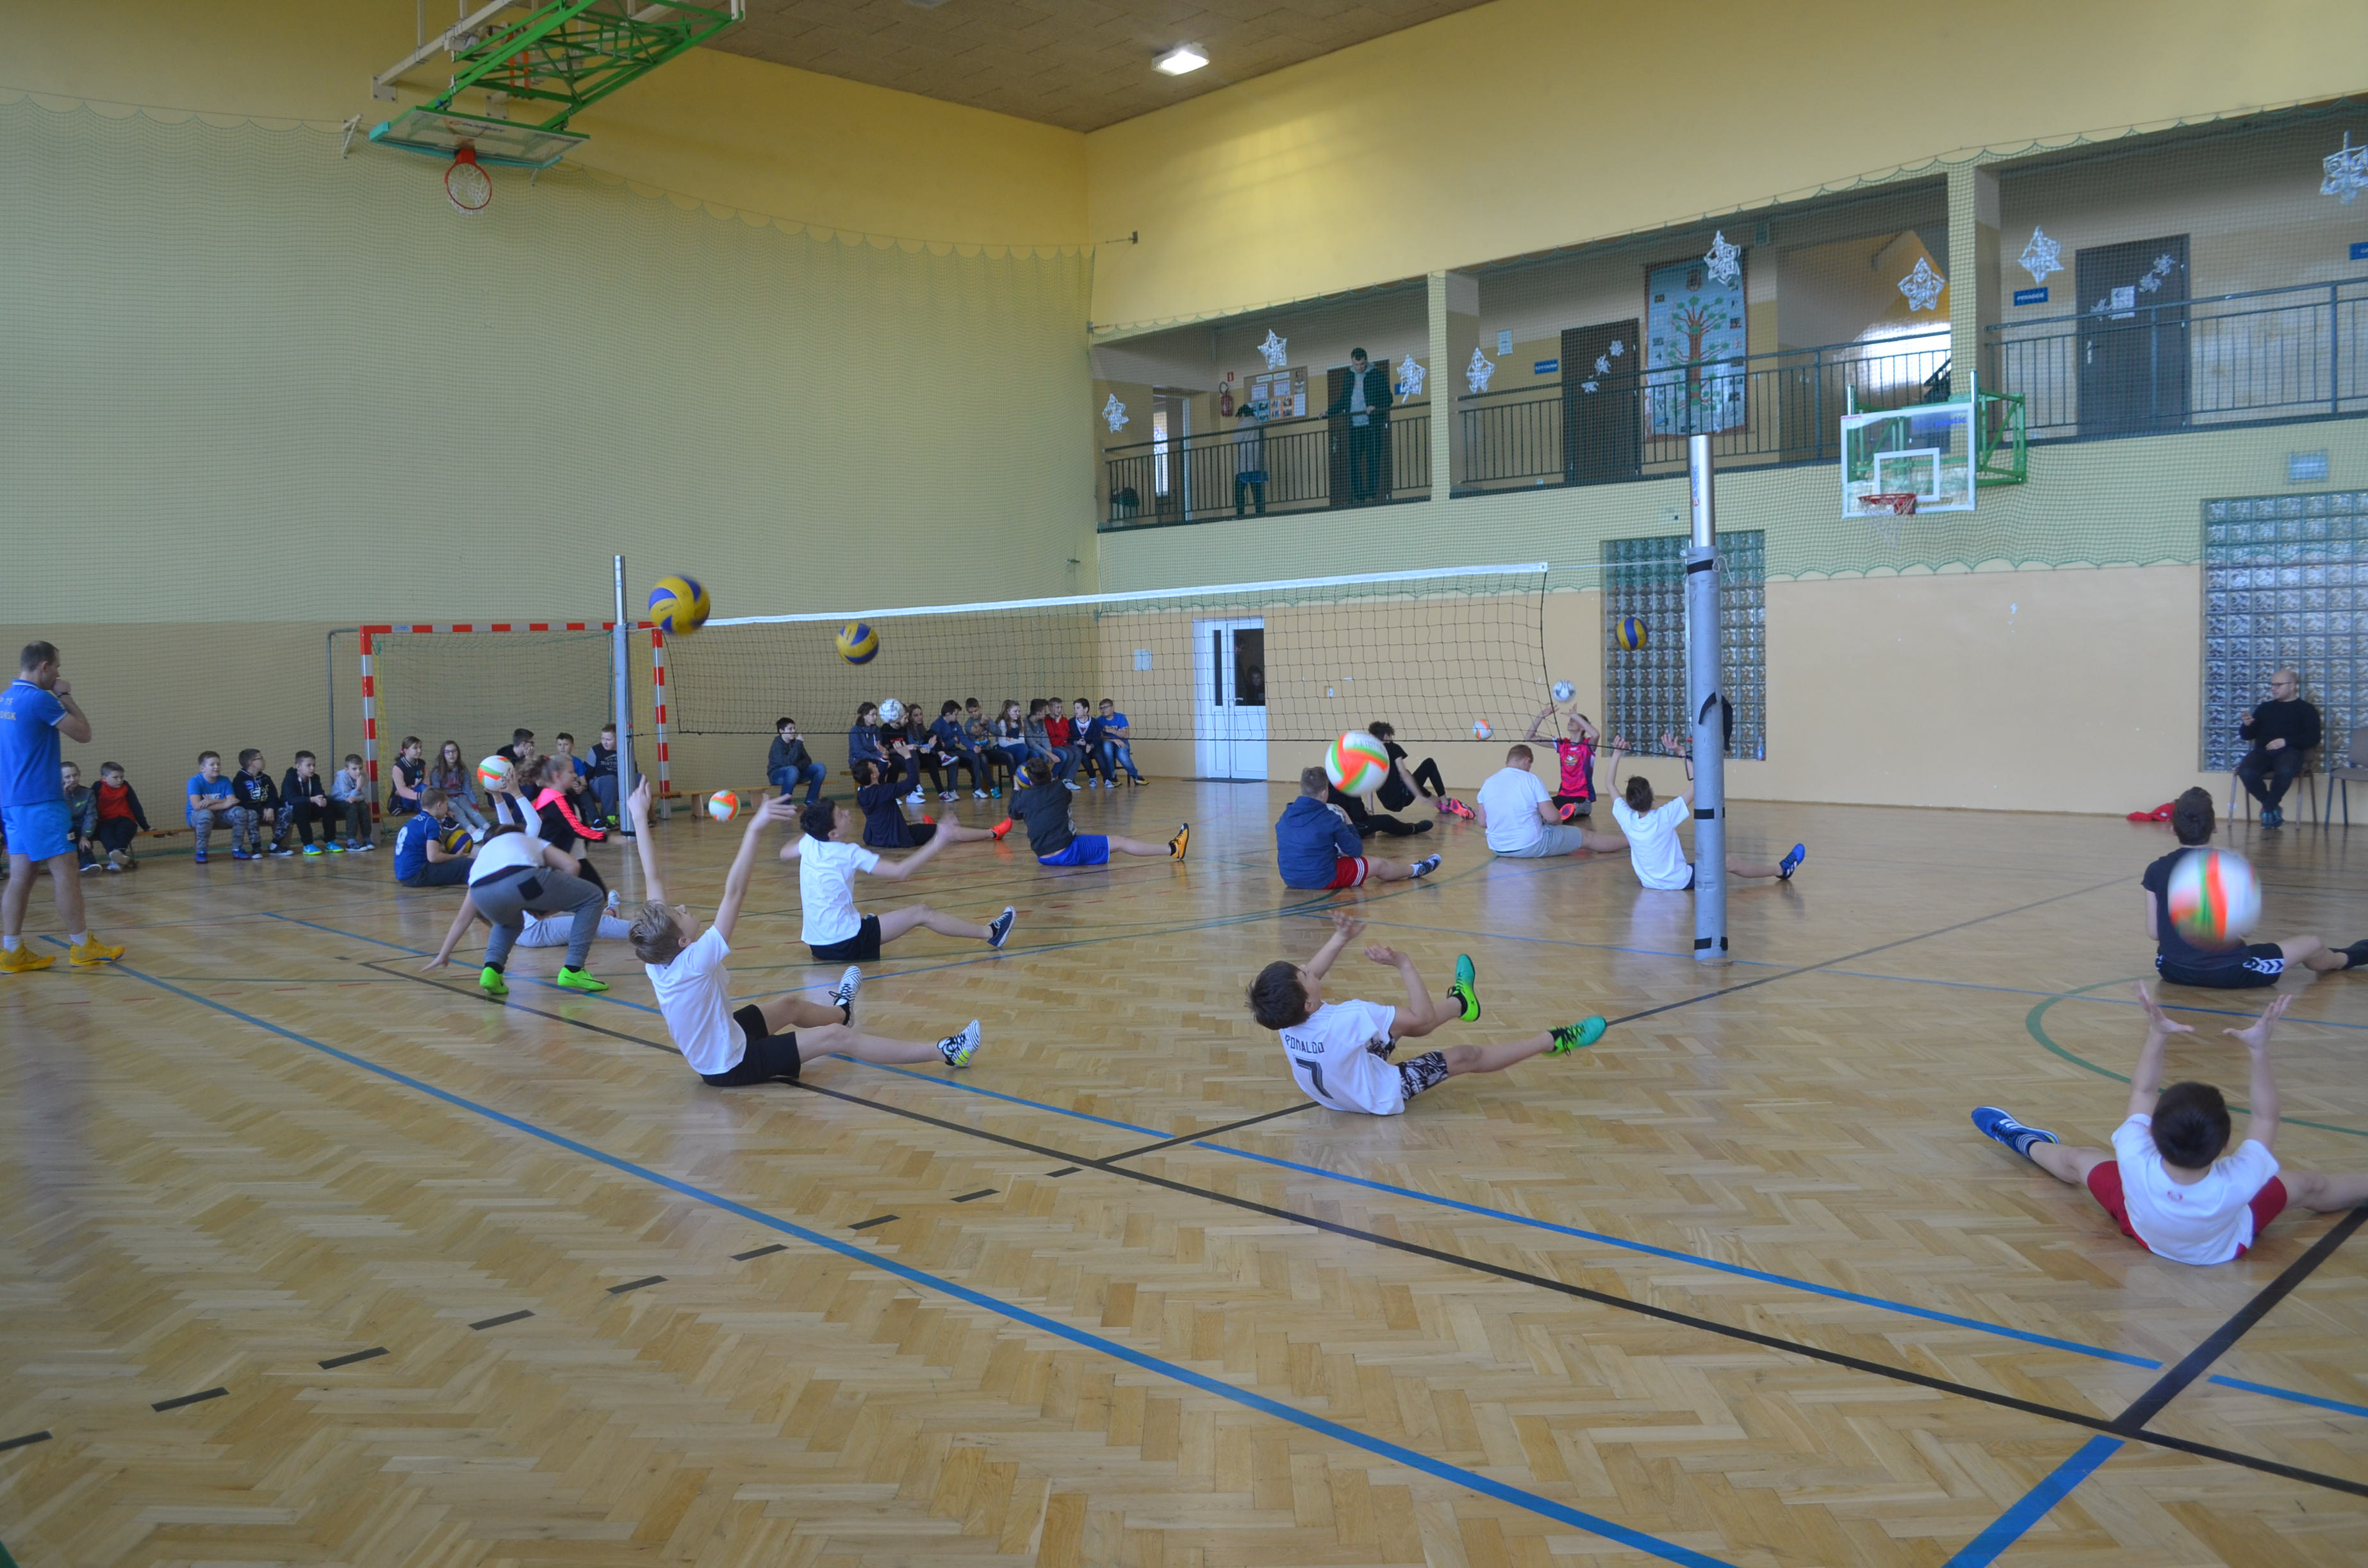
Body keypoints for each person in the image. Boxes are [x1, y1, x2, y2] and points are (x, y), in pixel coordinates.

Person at [623, 780, 981, 1086]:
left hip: (721, 1040)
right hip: (731, 1064)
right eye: (679, 914)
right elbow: (735, 892)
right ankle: (945, 1051)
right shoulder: (695, 961)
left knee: (789, 1005)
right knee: (836, 1039)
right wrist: (754, 829)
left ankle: (842, 1011)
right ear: (683, 941)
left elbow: (653, 877)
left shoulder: (657, 954)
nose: (682, 906)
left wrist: (640, 817)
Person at [1972, 987, 2368, 1264]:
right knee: (2309, 1185)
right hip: (2224, 1249)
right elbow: (2266, 1116)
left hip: (2141, 1228)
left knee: (2079, 1158)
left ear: (2151, 1134)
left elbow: (2143, 1089)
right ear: (2227, 1145)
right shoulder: (2241, 1182)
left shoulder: (2133, 1153)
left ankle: (2021, 1140)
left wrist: (2157, 1034)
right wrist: (2259, 1050)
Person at [1247, 911, 1605, 1115]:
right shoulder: (1349, 1017)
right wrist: (1403, 963)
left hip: (1337, 1088)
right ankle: (1554, 1040)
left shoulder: (1280, 1015)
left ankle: (1463, 1003)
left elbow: (1311, 978)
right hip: (1376, 1094)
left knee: (1391, 1026)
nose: (1309, 968)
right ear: (1308, 1003)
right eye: (1305, 974)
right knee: (1465, 1055)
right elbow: (1422, 1019)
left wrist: (1341, 937)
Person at [2141, 788, 2364, 988]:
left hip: (2170, 969)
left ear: (2173, 829)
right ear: (2215, 827)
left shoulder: (2155, 869)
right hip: (2229, 973)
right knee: (2313, 944)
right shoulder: (2233, 867)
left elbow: (2154, 932)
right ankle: (2346, 958)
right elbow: (2246, 929)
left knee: (2266, 951)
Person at [0, 642, 122, 972]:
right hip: (40, 802)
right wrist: (65, 695)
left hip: (12, 803)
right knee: (66, 871)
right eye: (56, 667)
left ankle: (12, 950)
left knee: (21, 875)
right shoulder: (39, 699)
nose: (58, 673)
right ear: (44, 666)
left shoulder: (5, 698)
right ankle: (82, 946)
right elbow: (84, 733)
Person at [793, 797, 1015, 963]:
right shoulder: (849, 852)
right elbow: (900, 871)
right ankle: (992, 933)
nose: (848, 813)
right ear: (832, 834)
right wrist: (939, 841)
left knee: (869, 917)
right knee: (922, 912)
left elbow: (785, 852)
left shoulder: (809, 842)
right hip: (845, 943)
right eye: (841, 815)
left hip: (818, 945)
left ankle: (862, 929)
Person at [418, 821, 609, 996]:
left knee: (508, 924)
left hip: (481, 891)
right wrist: (549, 909)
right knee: (592, 897)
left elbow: (462, 919)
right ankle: (574, 969)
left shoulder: (485, 857)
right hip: (522, 878)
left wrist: (444, 954)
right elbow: (572, 865)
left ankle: (492, 972)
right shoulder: (528, 840)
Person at [1605, 737, 1802, 888]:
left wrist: (1616, 754)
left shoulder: (1627, 819)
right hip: (1677, 881)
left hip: (1649, 883)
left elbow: (1609, 784)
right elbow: (1699, 784)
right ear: (1653, 795)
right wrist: (1681, 752)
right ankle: (1781, 869)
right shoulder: (1664, 816)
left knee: (1711, 860)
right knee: (1729, 862)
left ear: (1630, 802)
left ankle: (1780, 869)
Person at [1275, 767, 1440, 890]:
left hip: (1290, 878)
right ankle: (1416, 870)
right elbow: (1355, 851)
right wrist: (1347, 820)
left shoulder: (1286, 815)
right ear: (1324, 793)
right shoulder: (1330, 818)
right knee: (1379, 864)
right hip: (1321, 878)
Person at [997, 759, 1184, 868]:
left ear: (1027, 783)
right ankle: (1173, 849)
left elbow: (1014, 814)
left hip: (1043, 857)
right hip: (1067, 852)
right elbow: (1064, 796)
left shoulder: (1022, 798)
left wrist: (1017, 789)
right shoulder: (1059, 788)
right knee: (1120, 842)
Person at [1475, 746, 1624, 860]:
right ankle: (1632, 840)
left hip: (1498, 848)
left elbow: (1482, 822)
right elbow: (1553, 818)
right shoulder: (1532, 780)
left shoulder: (1488, 783)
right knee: (1587, 837)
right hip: (1530, 845)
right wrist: (1557, 820)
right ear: (1527, 761)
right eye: (1530, 765)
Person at [851, 754, 996, 851]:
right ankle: (992, 833)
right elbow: (912, 781)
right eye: (874, 766)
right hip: (899, 837)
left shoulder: (862, 793)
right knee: (948, 830)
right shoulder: (884, 791)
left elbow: (878, 780)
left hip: (876, 839)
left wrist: (884, 758)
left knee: (924, 829)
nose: (877, 765)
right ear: (873, 775)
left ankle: (928, 827)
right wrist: (908, 756)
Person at [2235, 668, 2320, 827]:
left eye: (2278, 685)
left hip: (2290, 752)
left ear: (2292, 686)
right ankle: (2271, 807)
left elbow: (2314, 737)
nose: (2273, 689)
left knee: (2286, 770)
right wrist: (2246, 725)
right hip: (2263, 752)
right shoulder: (2265, 708)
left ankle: (2268, 809)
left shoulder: (2306, 709)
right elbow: (2247, 736)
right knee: (2245, 771)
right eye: (2272, 685)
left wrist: (2286, 742)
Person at [531, 754, 610, 895]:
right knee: (594, 894)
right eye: (571, 772)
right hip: (560, 859)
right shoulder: (554, 800)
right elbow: (577, 828)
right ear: (557, 776)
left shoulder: (568, 796)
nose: (575, 776)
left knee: (597, 893)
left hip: (575, 855)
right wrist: (608, 838)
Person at [1324, 348, 1394, 505]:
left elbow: (1388, 398)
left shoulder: (1376, 374)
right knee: (1354, 461)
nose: (1360, 367)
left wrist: (1375, 407)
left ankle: (1372, 493)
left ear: (1366, 361)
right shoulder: (1349, 376)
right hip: (1354, 426)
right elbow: (1344, 400)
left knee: (1373, 459)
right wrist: (1329, 413)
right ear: (1352, 362)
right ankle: (1358, 495)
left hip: (1372, 425)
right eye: (1357, 365)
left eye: (1362, 364)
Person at [1367, 722, 1465, 818]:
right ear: (1386, 735)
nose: (1392, 739)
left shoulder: (1371, 754)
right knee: (1429, 764)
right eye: (1391, 736)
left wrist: (1371, 810)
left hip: (1387, 803)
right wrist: (1418, 796)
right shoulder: (1393, 747)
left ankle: (1438, 803)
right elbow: (1403, 773)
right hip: (1401, 798)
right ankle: (1445, 803)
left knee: (1410, 777)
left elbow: (1369, 784)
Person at [1526, 702, 1600, 819]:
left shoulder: (1588, 745)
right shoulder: (1562, 744)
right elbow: (1529, 737)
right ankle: (1563, 813)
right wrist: (1541, 716)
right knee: (1539, 808)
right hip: (1564, 795)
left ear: (1582, 727)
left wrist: (1576, 716)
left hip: (1582, 797)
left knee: (1571, 808)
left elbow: (1596, 735)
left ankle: (1579, 809)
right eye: (1570, 720)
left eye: (1574, 720)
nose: (1570, 721)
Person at [393, 787, 474, 888]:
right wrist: (456, 856)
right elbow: (433, 857)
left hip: (404, 875)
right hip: (418, 874)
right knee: (468, 865)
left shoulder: (414, 821)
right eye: (446, 805)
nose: (447, 809)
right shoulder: (432, 823)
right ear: (439, 805)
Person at [229, 748, 293, 859]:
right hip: (254, 812)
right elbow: (242, 803)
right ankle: (256, 848)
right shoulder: (239, 780)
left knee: (286, 812)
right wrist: (262, 810)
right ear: (251, 763)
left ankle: (275, 845)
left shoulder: (266, 778)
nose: (264, 760)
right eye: (261, 758)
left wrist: (270, 809)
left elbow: (274, 797)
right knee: (251, 814)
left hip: (269, 812)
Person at [280, 751, 343, 857]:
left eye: (314, 765)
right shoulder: (290, 778)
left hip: (309, 809)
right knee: (300, 806)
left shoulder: (315, 778)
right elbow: (292, 799)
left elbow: (319, 794)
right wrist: (312, 799)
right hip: (291, 812)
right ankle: (308, 844)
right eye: (309, 765)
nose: (312, 768)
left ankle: (330, 842)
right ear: (298, 767)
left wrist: (322, 800)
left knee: (328, 805)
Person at [92, 761, 150, 870]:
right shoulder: (98, 786)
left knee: (125, 830)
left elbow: (135, 805)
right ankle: (115, 855)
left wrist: (145, 826)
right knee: (105, 832)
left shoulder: (125, 786)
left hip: (125, 818)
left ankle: (116, 857)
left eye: (122, 777)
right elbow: (91, 807)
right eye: (115, 777)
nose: (120, 780)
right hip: (105, 820)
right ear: (104, 778)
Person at [427, 740, 491, 837]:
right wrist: (446, 810)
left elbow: (468, 789)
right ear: (443, 754)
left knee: (471, 811)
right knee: (458, 812)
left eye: (454, 751)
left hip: (460, 796)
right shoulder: (437, 772)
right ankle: (473, 831)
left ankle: (489, 829)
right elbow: (437, 792)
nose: (451, 754)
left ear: (458, 753)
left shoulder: (463, 769)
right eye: (448, 752)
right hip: (446, 798)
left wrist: (474, 804)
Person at [1327, 780, 1430, 838]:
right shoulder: (1349, 786)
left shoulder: (1326, 782)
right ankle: (1414, 828)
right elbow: (1358, 815)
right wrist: (1365, 812)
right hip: (1346, 830)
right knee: (1386, 820)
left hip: (1325, 829)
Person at [185, 750, 238, 863]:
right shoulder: (194, 781)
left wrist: (213, 801)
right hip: (197, 817)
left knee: (239, 812)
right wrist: (224, 804)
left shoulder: (225, 780)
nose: (216, 767)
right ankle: (201, 852)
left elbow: (233, 801)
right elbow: (197, 806)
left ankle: (238, 849)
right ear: (202, 768)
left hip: (220, 816)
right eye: (212, 765)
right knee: (206, 814)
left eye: (218, 764)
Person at [931, 702, 991, 799]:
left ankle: (977, 789)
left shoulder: (955, 723)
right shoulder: (937, 725)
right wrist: (954, 740)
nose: (957, 716)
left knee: (974, 756)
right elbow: (941, 746)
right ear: (948, 714)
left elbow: (963, 738)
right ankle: (952, 790)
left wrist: (973, 747)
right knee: (954, 758)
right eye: (956, 714)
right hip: (943, 753)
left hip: (954, 750)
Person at [768, 717, 828, 804]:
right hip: (777, 776)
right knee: (792, 770)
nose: (794, 731)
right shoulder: (778, 744)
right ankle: (785, 805)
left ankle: (810, 801)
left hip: (796, 774)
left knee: (820, 767)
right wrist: (798, 745)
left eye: (794, 728)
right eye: (790, 729)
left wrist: (796, 767)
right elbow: (787, 763)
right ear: (781, 731)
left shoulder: (796, 743)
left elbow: (808, 760)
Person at [1231, 396, 1270, 518]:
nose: (1239, 419)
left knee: (1239, 491)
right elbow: (1264, 443)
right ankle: (1260, 514)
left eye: (1239, 417)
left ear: (1242, 414)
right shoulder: (1260, 424)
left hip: (1245, 463)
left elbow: (1236, 440)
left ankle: (1240, 515)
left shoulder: (1244, 424)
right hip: (1258, 462)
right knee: (1257, 491)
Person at [327, 753, 375, 851]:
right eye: (354, 769)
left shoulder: (364, 776)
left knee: (364, 806)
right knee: (352, 806)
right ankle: (351, 842)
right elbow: (347, 797)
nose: (358, 772)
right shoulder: (342, 777)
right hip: (336, 804)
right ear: (347, 769)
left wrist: (356, 798)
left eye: (360, 768)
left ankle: (366, 838)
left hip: (354, 802)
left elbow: (364, 796)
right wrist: (358, 788)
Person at [62, 762, 103, 873]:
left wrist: (85, 836)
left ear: (80, 774)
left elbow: (91, 816)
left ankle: (88, 864)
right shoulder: (57, 796)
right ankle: (86, 863)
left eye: (75, 775)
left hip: (82, 828)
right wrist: (63, 795)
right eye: (67, 777)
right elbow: (56, 816)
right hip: (64, 828)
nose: (72, 779)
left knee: (82, 836)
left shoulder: (88, 793)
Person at [1097, 699, 1143, 785]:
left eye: (1105, 707)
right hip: (1108, 742)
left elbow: (1126, 735)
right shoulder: (1099, 720)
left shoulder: (1120, 717)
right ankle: (1112, 776)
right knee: (1107, 746)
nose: (1103, 710)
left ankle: (1136, 776)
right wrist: (1114, 739)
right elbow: (1101, 737)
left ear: (1112, 707)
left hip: (1122, 742)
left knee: (1122, 755)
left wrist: (1112, 731)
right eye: (1101, 708)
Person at [588, 723, 623, 829]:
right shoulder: (595, 750)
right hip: (599, 787)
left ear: (617, 739)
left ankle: (641, 817)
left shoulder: (624, 750)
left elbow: (633, 773)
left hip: (618, 788)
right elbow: (587, 773)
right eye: (603, 739)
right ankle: (609, 819)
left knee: (639, 778)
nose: (605, 742)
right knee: (610, 780)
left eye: (608, 740)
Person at [386, 735, 426, 819]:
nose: (419, 751)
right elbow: (401, 791)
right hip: (401, 801)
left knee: (427, 791)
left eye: (420, 747)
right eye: (415, 748)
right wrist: (420, 795)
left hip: (419, 799)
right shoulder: (398, 767)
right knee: (424, 792)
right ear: (406, 751)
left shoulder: (422, 764)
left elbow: (427, 782)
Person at [847, 703, 889, 779]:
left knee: (888, 764)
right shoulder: (855, 731)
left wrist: (883, 758)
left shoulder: (877, 730)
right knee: (871, 768)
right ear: (864, 716)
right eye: (873, 715)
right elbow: (858, 752)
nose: (875, 717)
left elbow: (878, 748)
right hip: (859, 761)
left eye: (876, 715)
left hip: (874, 759)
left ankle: (881, 785)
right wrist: (878, 758)